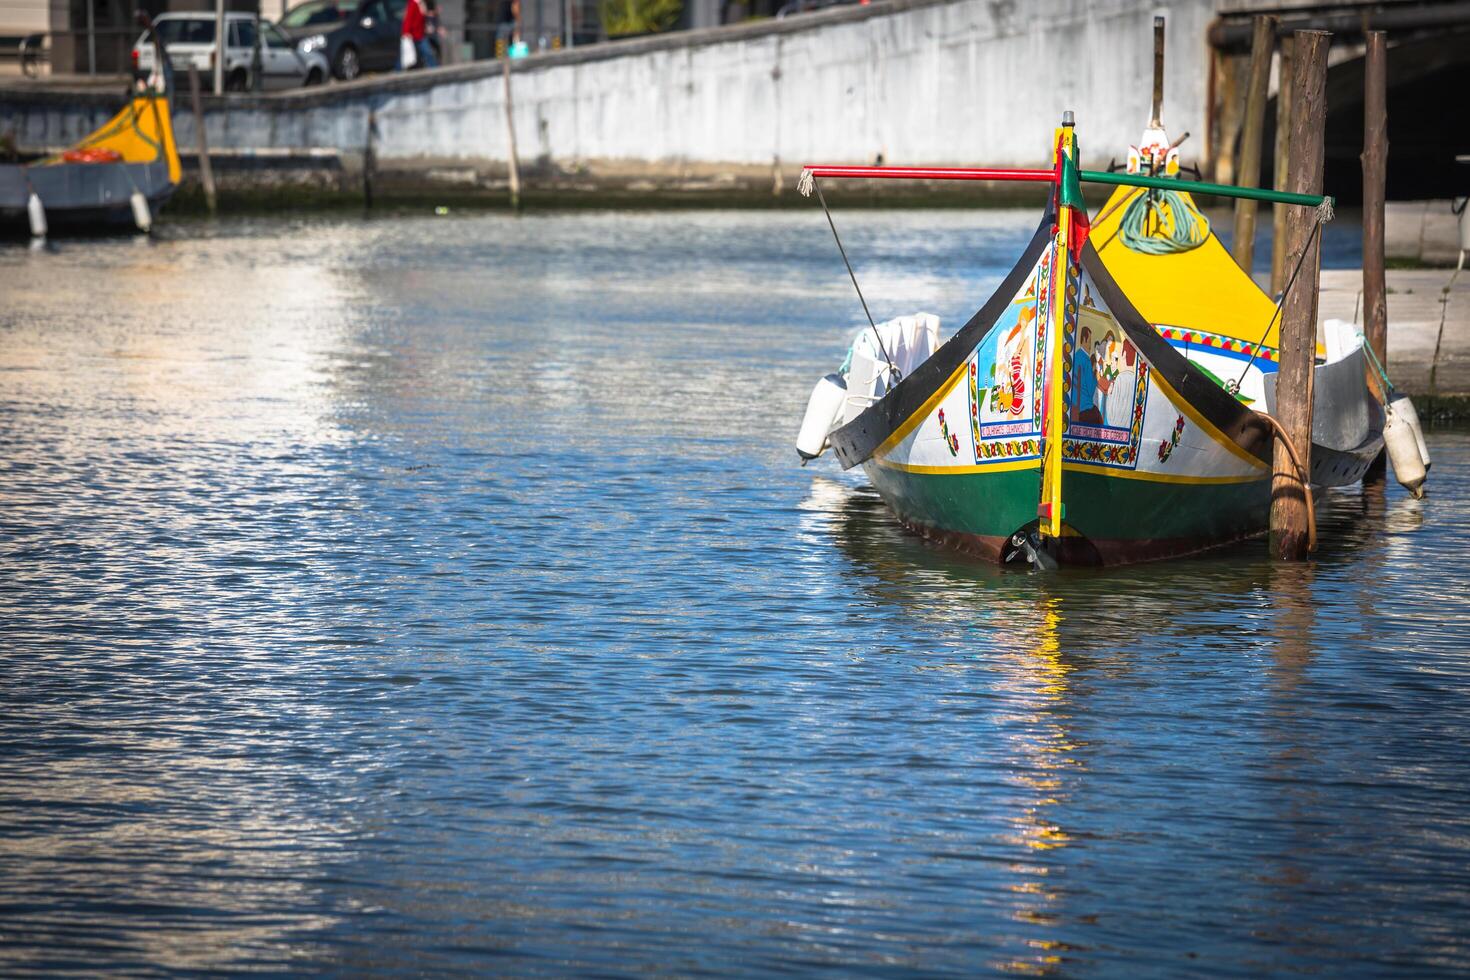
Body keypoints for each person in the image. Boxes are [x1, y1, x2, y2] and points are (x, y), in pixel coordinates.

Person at [398, 0, 438, 70]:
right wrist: (406, 32)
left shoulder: (421, 3)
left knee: (427, 52)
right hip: (412, 34)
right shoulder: (413, 4)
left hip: (420, 34)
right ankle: (398, 70)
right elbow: (408, 19)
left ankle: (434, 68)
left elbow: (422, 18)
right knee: (407, 53)